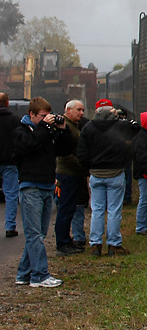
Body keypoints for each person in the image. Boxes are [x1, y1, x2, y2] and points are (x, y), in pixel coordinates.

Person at [12, 97, 73, 287]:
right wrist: (43, 128)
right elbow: (30, 146)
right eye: (43, 116)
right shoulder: (21, 131)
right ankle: (40, 275)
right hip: (30, 186)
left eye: (49, 116)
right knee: (34, 234)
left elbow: (64, 150)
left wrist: (62, 130)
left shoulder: (46, 131)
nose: (47, 119)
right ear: (31, 114)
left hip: (47, 185)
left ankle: (23, 274)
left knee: (39, 234)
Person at [78, 99, 136, 255]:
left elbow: (82, 154)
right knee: (114, 210)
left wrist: (89, 168)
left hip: (96, 174)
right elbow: (137, 129)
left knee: (97, 210)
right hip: (115, 173)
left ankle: (95, 244)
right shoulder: (121, 126)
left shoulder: (88, 128)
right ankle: (113, 244)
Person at [54, 99, 88, 255]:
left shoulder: (72, 126)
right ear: (68, 110)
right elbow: (65, 154)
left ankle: (67, 240)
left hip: (73, 173)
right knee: (65, 209)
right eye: (78, 110)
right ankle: (62, 243)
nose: (81, 113)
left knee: (70, 209)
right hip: (68, 173)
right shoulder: (64, 127)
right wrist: (82, 166)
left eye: (82, 110)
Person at [0, 92, 18, 237]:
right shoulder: (14, 120)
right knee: (11, 195)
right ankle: (10, 227)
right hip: (10, 162)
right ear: (7, 103)